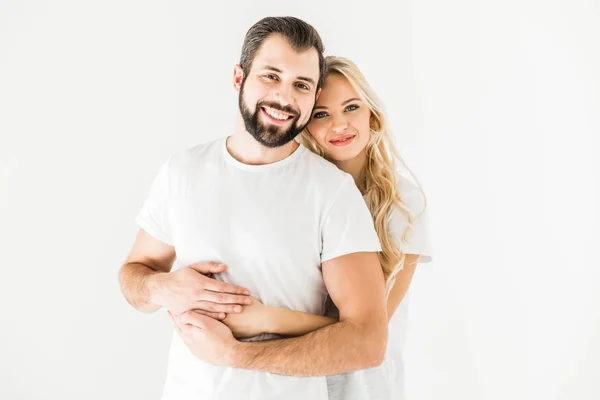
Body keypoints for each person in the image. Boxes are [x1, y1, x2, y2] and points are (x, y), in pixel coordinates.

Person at [119, 17, 388, 400]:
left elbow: (368, 342)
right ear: (238, 77)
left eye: (301, 85)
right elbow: (134, 276)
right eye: (271, 76)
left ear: (313, 99)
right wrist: (161, 287)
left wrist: (236, 355)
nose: (284, 97)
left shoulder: (332, 193)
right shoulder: (183, 171)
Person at [211, 56, 433, 399]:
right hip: (288, 378)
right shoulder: (299, 190)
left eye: (352, 108)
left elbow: (374, 330)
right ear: (304, 123)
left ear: (372, 115)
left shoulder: (401, 201)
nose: (339, 125)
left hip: (363, 386)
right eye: (321, 114)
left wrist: (264, 319)